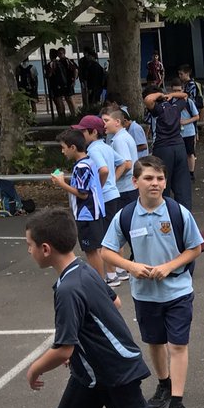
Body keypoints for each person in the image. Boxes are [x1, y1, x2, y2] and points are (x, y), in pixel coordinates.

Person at [4, 208, 204, 408]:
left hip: (112, 373)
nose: (28, 250)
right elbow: (113, 303)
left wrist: (34, 369)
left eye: (29, 244)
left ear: (45, 249)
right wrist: (85, 348)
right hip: (92, 372)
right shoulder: (84, 271)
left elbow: (62, 349)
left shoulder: (69, 287)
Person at [100, 156, 204, 408]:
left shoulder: (178, 213)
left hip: (178, 290)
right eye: (148, 178)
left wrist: (169, 266)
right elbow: (106, 252)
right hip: (145, 294)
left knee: (178, 344)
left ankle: (177, 404)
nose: (155, 183)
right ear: (135, 182)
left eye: (160, 178)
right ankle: (164, 384)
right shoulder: (125, 216)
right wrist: (131, 266)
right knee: (155, 343)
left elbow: (194, 248)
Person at [74, 114, 126, 285]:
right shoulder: (105, 146)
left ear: (93, 132)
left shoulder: (94, 150)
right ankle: (119, 269)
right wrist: (113, 181)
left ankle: (111, 275)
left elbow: (103, 170)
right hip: (113, 194)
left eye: (83, 131)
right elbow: (123, 163)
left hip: (104, 197)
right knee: (115, 234)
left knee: (104, 239)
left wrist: (99, 186)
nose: (81, 134)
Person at [49, 129, 108, 279]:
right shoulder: (88, 162)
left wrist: (61, 184)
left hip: (87, 213)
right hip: (93, 211)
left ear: (73, 147)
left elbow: (83, 193)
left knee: (91, 250)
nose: (63, 151)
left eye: (63, 147)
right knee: (94, 249)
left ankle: (100, 283)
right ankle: (101, 282)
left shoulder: (81, 167)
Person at [142, 85, 194, 209]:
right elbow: (185, 95)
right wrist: (170, 95)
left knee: (161, 182)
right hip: (179, 146)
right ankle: (185, 214)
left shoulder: (157, 109)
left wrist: (161, 95)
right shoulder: (174, 107)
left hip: (162, 148)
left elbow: (148, 100)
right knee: (182, 183)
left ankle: (163, 212)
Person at [102, 106, 140, 205]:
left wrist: (112, 182)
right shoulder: (123, 136)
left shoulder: (119, 140)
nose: (104, 124)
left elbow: (127, 164)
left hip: (124, 190)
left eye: (106, 120)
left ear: (117, 122)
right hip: (129, 188)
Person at [166, 79, 201, 180]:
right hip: (175, 132)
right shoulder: (169, 102)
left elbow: (196, 116)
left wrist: (186, 121)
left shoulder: (188, 102)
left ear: (183, 90)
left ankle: (191, 172)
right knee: (176, 153)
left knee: (190, 153)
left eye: (179, 90)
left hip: (188, 131)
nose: (177, 93)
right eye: (174, 91)